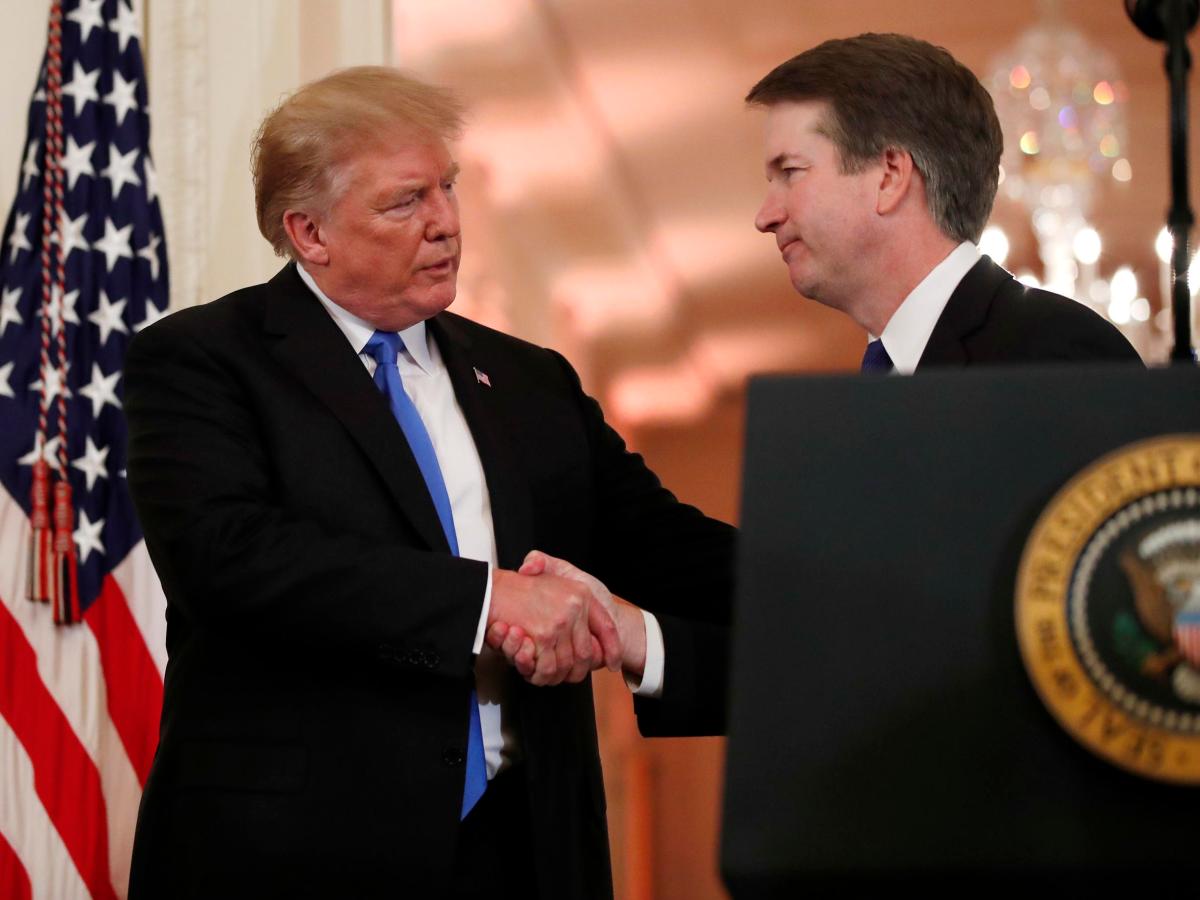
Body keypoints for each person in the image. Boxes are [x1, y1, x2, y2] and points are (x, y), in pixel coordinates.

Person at [123, 67, 734, 900]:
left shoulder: (529, 381)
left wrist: (858, 575)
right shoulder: (202, 362)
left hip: (524, 851)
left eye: (447, 187)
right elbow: (231, 561)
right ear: (309, 232)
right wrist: (488, 602)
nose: (447, 223)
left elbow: (666, 549)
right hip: (299, 857)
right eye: (405, 202)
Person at [748, 33, 1141, 370]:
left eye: (791, 172)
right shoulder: (888, 378)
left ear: (890, 176)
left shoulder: (1056, 355)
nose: (765, 218)